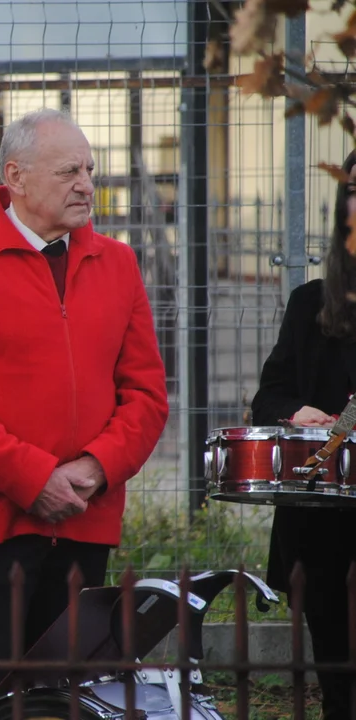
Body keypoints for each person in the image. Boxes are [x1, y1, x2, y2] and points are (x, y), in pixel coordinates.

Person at [0, 108, 170, 717]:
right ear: (15, 177)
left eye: (90, 169)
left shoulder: (118, 263)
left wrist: (97, 468)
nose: (87, 184)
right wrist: (34, 480)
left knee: (74, 699)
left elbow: (147, 395)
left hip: (84, 515)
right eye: (69, 171)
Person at [250, 148, 356, 720]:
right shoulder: (310, 303)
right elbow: (269, 395)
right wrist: (298, 414)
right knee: (335, 654)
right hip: (326, 509)